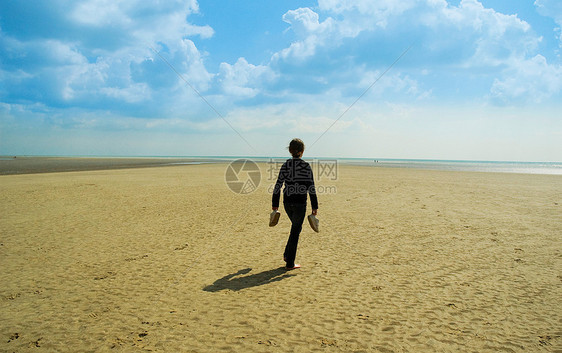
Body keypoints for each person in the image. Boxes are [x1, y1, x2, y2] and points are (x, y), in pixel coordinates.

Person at [272, 138, 318, 270]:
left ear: (290, 151)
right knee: (296, 230)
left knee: (295, 228)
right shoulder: (305, 166)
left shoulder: (286, 165)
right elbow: (311, 188)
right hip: (299, 203)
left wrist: (275, 204)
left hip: (287, 203)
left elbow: (278, 186)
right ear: (302, 151)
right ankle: (289, 263)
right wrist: (315, 207)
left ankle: (288, 255)